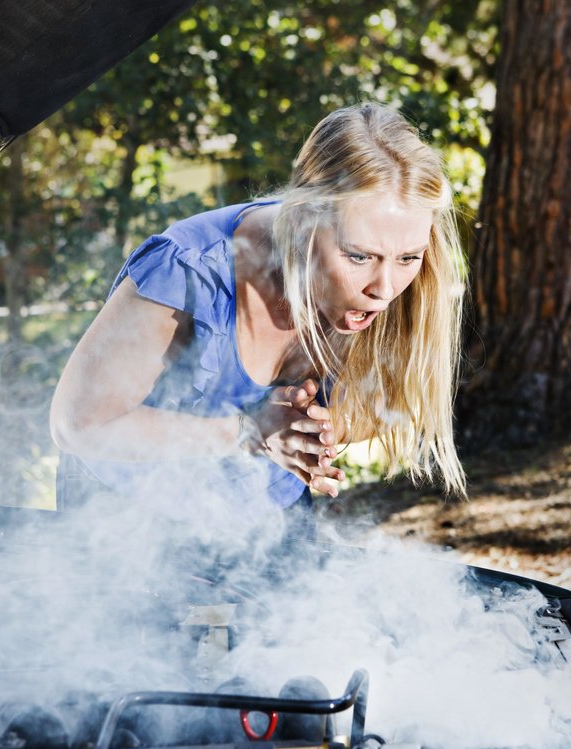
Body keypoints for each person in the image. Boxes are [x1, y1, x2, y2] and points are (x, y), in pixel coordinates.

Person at [49, 103, 466, 526]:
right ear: (303, 220)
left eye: (408, 257)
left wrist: (310, 430)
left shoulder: (408, 279)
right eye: (358, 256)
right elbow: (78, 425)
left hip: (262, 512)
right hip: (123, 515)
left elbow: (392, 402)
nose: (384, 288)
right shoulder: (189, 269)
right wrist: (251, 431)